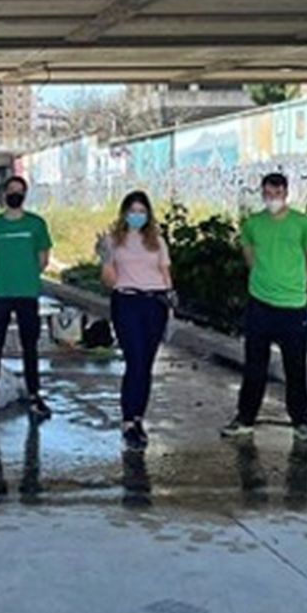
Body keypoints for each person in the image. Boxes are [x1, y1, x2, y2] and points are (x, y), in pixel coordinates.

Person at [222, 172, 307, 444]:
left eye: (277, 194)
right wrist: (264, 278)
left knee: (296, 368)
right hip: (260, 305)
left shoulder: (302, 224)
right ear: (262, 193)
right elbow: (249, 255)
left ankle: (301, 422)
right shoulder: (253, 224)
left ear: (286, 194)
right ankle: (245, 418)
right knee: (254, 366)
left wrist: (299, 281)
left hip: (293, 306)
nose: (272, 199)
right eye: (268, 194)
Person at [0, 175, 54, 422]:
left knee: (30, 346)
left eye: (19, 191)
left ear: (25, 194)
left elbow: (43, 258)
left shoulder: (36, 225)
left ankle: (34, 394)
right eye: (11, 190)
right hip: (0, 293)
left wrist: (26, 276)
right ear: (4, 194)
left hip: (27, 293)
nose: (15, 194)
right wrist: (4, 277)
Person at [99, 190, 173, 450]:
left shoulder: (157, 241)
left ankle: (139, 417)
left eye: (142, 211)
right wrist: (105, 258)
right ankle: (128, 420)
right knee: (135, 359)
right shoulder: (113, 241)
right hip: (126, 301)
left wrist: (170, 298)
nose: (137, 216)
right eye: (132, 211)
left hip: (155, 303)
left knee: (146, 363)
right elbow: (109, 279)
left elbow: (165, 272)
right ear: (124, 213)